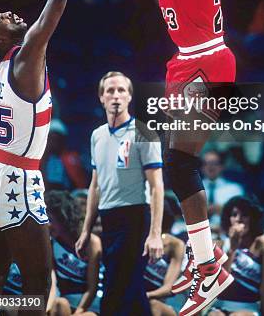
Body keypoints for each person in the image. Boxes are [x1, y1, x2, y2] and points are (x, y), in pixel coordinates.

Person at [112, 0, 236, 315]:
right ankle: (208, 263)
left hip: (209, 61)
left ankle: (210, 267)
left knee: (182, 164)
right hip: (186, 61)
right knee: (178, 163)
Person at [0, 0, 105, 314]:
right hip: (17, 174)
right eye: (1, 18)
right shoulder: (25, 55)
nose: (12, 14)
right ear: (0, 40)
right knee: (38, 282)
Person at [75, 71, 164, 316]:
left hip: (135, 217)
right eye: (110, 91)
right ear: (101, 98)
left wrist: (155, 234)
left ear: (129, 97)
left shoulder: (143, 132)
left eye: (121, 90)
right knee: (131, 293)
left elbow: (157, 186)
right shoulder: (97, 135)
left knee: (116, 290)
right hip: (109, 220)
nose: (116, 95)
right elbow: (96, 185)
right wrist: (86, 230)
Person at [209, 195, 264, 316]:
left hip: (249, 307)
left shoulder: (262, 243)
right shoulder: (220, 244)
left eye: (244, 215)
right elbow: (220, 284)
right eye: (234, 215)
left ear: (253, 218)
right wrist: (232, 249)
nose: (239, 219)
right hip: (221, 305)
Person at [45, 189, 102, 316]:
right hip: (64, 302)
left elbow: (92, 288)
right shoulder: (51, 243)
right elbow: (52, 282)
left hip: (88, 304)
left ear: (63, 218)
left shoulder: (92, 243)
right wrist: (47, 309)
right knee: (60, 304)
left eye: (50, 219)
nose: (47, 224)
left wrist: (79, 312)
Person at [145, 197, 186, 316]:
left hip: (165, 302)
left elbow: (169, 288)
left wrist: (145, 296)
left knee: (153, 305)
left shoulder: (175, 245)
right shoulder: (137, 239)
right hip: (137, 299)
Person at [201, 150, 245, 231]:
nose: (210, 167)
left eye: (214, 163)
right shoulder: (192, 190)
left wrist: (224, 210)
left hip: (226, 231)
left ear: (222, 166)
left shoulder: (235, 189)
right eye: (207, 163)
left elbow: (241, 215)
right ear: (202, 167)